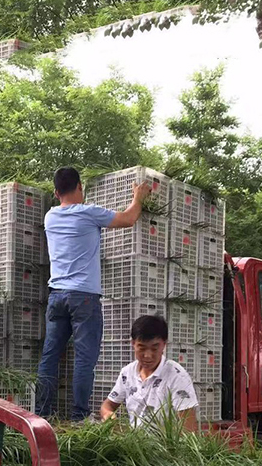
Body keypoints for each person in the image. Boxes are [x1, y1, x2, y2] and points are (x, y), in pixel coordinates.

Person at [35, 166, 150, 421]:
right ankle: (79, 417)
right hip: (84, 296)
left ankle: (42, 415)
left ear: (55, 192)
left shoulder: (50, 217)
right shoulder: (88, 212)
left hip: (56, 296)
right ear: (79, 187)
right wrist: (138, 198)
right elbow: (128, 219)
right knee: (84, 359)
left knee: (50, 357)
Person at [100, 315, 199, 432]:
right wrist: (108, 415)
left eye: (154, 348)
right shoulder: (127, 373)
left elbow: (189, 430)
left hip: (165, 446)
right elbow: (107, 405)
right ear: (133, 344)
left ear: (164, 344)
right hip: (134, 443)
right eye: (141, 348)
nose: (147, 355)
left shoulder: (177, 376)